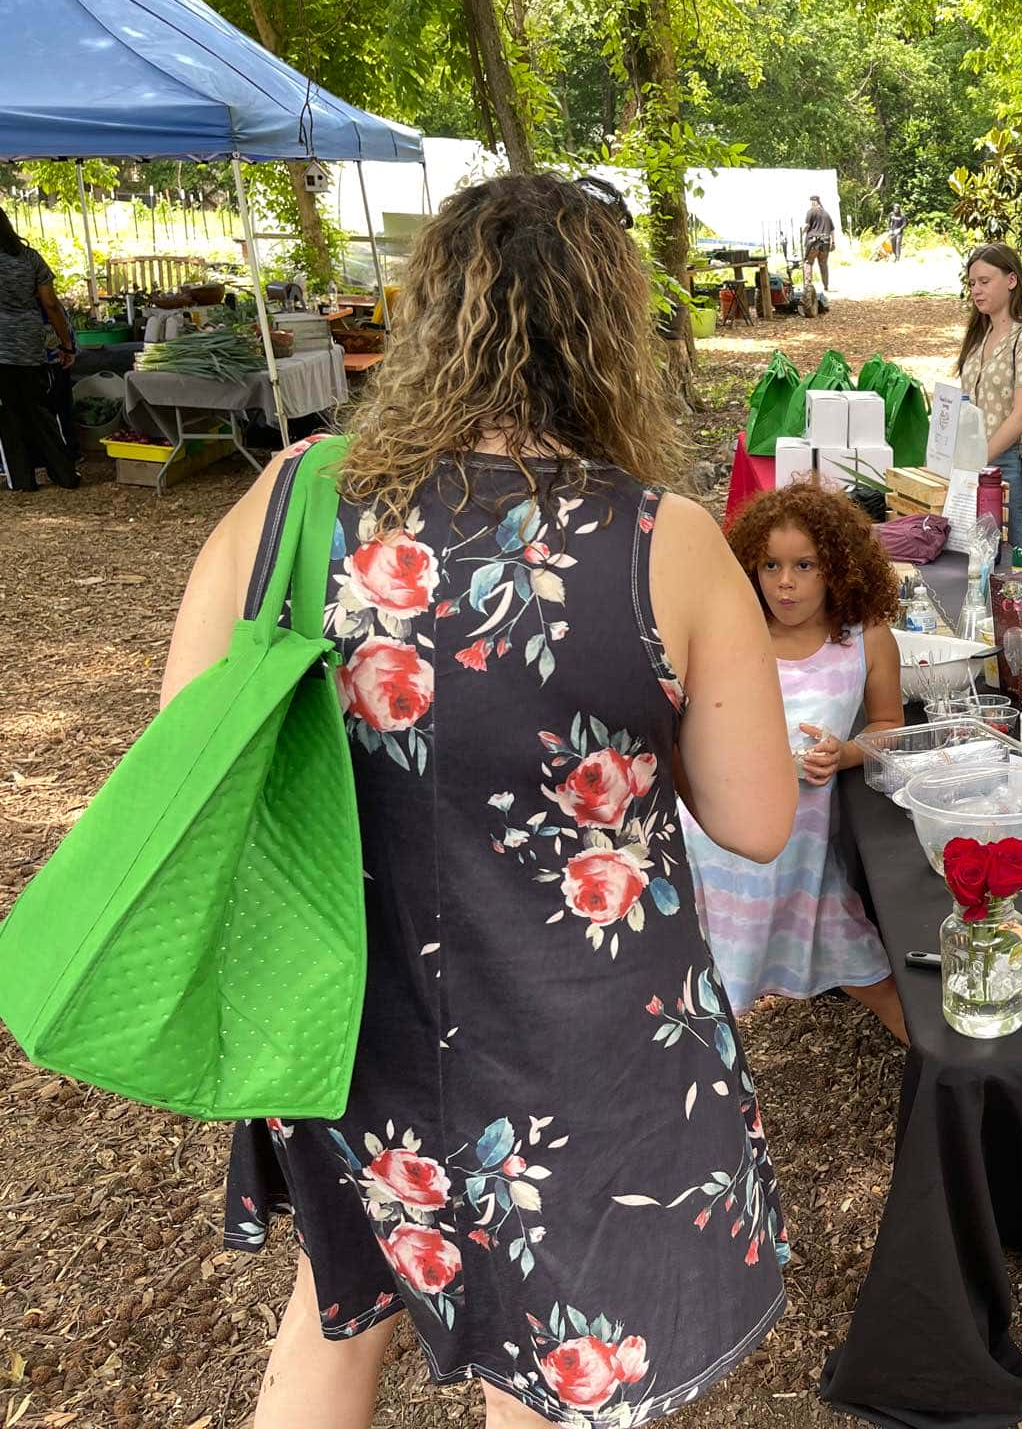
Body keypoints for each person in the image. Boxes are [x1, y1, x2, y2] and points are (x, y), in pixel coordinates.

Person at [162, 174, 799, 1429]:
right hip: (587, 1044)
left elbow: (190, 769)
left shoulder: (285, 504)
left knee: (342, 1311)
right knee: (555, 1365)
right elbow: (759, 818)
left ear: (425, 317)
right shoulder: (661, 540)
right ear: (607, 334)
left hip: (344, 1014)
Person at [684, 481, 909, 1042]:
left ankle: (956, 1089)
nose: (783, 584)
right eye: (769, 565)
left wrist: (846, 753)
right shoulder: (729, 635)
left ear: (838, 567)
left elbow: (890, 726)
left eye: (804, 565)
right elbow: (682, 732)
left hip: (802, 860)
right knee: (712, 997)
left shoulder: (865, 640)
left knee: (872, 973)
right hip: (718, 855)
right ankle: (717, 1108)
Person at [956, 243, 1022, 556]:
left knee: (1012, 559)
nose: (976, 291)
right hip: (973, 462)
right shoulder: (978, 337)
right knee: (974, 557)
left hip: (1009, 463)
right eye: (972, 284)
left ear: (1011, 281)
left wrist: (980, 458)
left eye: (985, 281)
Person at [0, 208, 79, 491]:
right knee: (40, 411)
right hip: (29, 343)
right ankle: (64, 474)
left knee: (9, 413)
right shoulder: (30, 258)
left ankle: (23, 480)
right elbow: (50, 304)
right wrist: (65, 344)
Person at [804, 195, 836, 293]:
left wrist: (802, 233)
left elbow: (806, 226)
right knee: (823, 264)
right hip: (825, 243)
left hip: (813, 243)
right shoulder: (826, 214)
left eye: (811, 201)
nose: (811, 203)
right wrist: (833, 242)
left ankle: (808, 286)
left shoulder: (811, 211)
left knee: (808, 263)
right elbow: (832, 230)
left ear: (814, 201)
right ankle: (826, 286)